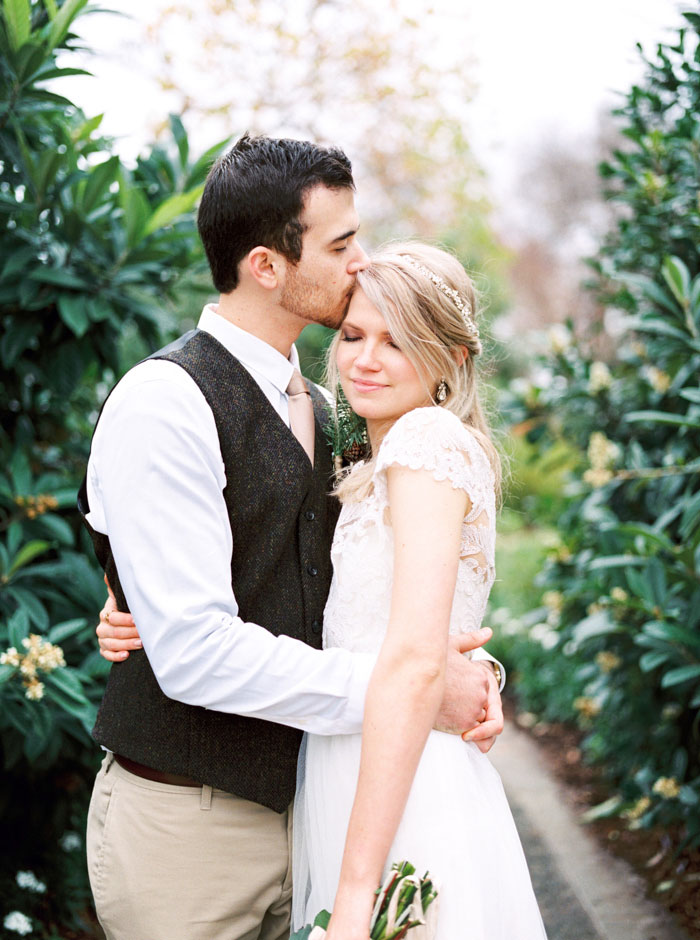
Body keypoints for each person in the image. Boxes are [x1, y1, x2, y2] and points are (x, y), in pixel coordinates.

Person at [80, 134, 504, 940]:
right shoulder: (165, 401)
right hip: (193, 830)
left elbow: (369, 582)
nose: (360, 263)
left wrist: (470, 672)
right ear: (267, 266)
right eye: (341, 244)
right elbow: (196, 650)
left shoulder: (330, 403)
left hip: (325, 808)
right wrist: (407, 692)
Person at [289, 243, 547, 939]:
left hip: (405, 783)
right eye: (353, 335)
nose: (365, 360)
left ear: (451, 358)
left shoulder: (424, 442)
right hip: (370, 758)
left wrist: (354, 891)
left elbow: (414, 660)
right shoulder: (394, 448)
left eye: (397, 342)